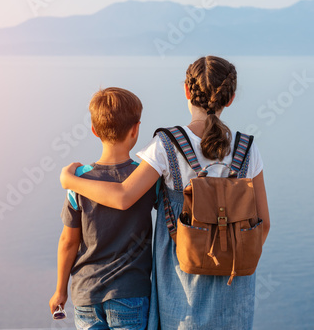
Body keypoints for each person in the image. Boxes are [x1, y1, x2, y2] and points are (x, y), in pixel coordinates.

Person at [60, 56, 271, 330]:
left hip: (182, 297)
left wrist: (70, 180)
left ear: (186, 91)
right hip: (234, 295)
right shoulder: (247, 148)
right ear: (229, 98)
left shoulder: (167, 145)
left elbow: (123, 197)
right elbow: (263, 225)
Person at [49, 87, 156, 329]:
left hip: (86, 295)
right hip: (131, 292)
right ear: (136, 129)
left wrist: (60, 291)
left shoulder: (79, 180)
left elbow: (68, 241)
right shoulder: (145, 177)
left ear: (94, 131)